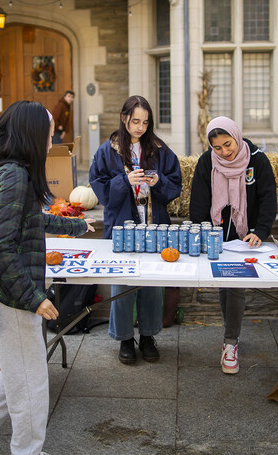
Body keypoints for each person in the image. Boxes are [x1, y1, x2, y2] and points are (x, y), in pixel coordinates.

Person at [0, 101, 94, 455]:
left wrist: (76, 226)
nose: (52, 138)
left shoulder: (12, 169)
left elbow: (30, 221)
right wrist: (34, 298)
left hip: (3, 293)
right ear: (32, 133)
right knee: (30, 380)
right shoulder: (13, 175)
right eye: (48, 132)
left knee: (21, 369)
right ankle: (27, 451)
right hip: (8, 298)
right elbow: (0, 246)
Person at [89, 96, 181, 364]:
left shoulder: (160, 149)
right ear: (124, 117)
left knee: (152, 283)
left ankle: (148, 336)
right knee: (122, 283)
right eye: (135, 121)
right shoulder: (107, 151)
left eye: (145, 121)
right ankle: (125, 339)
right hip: (122, 226)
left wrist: (158, 180)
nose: (140, 127)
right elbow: (99, 187)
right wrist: (123, 181)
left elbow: (175, 184)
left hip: (153, 225)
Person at [189, 116, 277, 374]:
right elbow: (198, 200)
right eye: (217, 148)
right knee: (224, 287)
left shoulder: (257, 159)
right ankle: (232, 335)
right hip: (217, 237)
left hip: (245, 237)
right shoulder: (207, 162)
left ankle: (230, 343)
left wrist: (260, 230)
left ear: (237, 137)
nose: (225, 152)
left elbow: (268, 196)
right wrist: (205, 231)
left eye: (228, 145)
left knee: (236, 285)